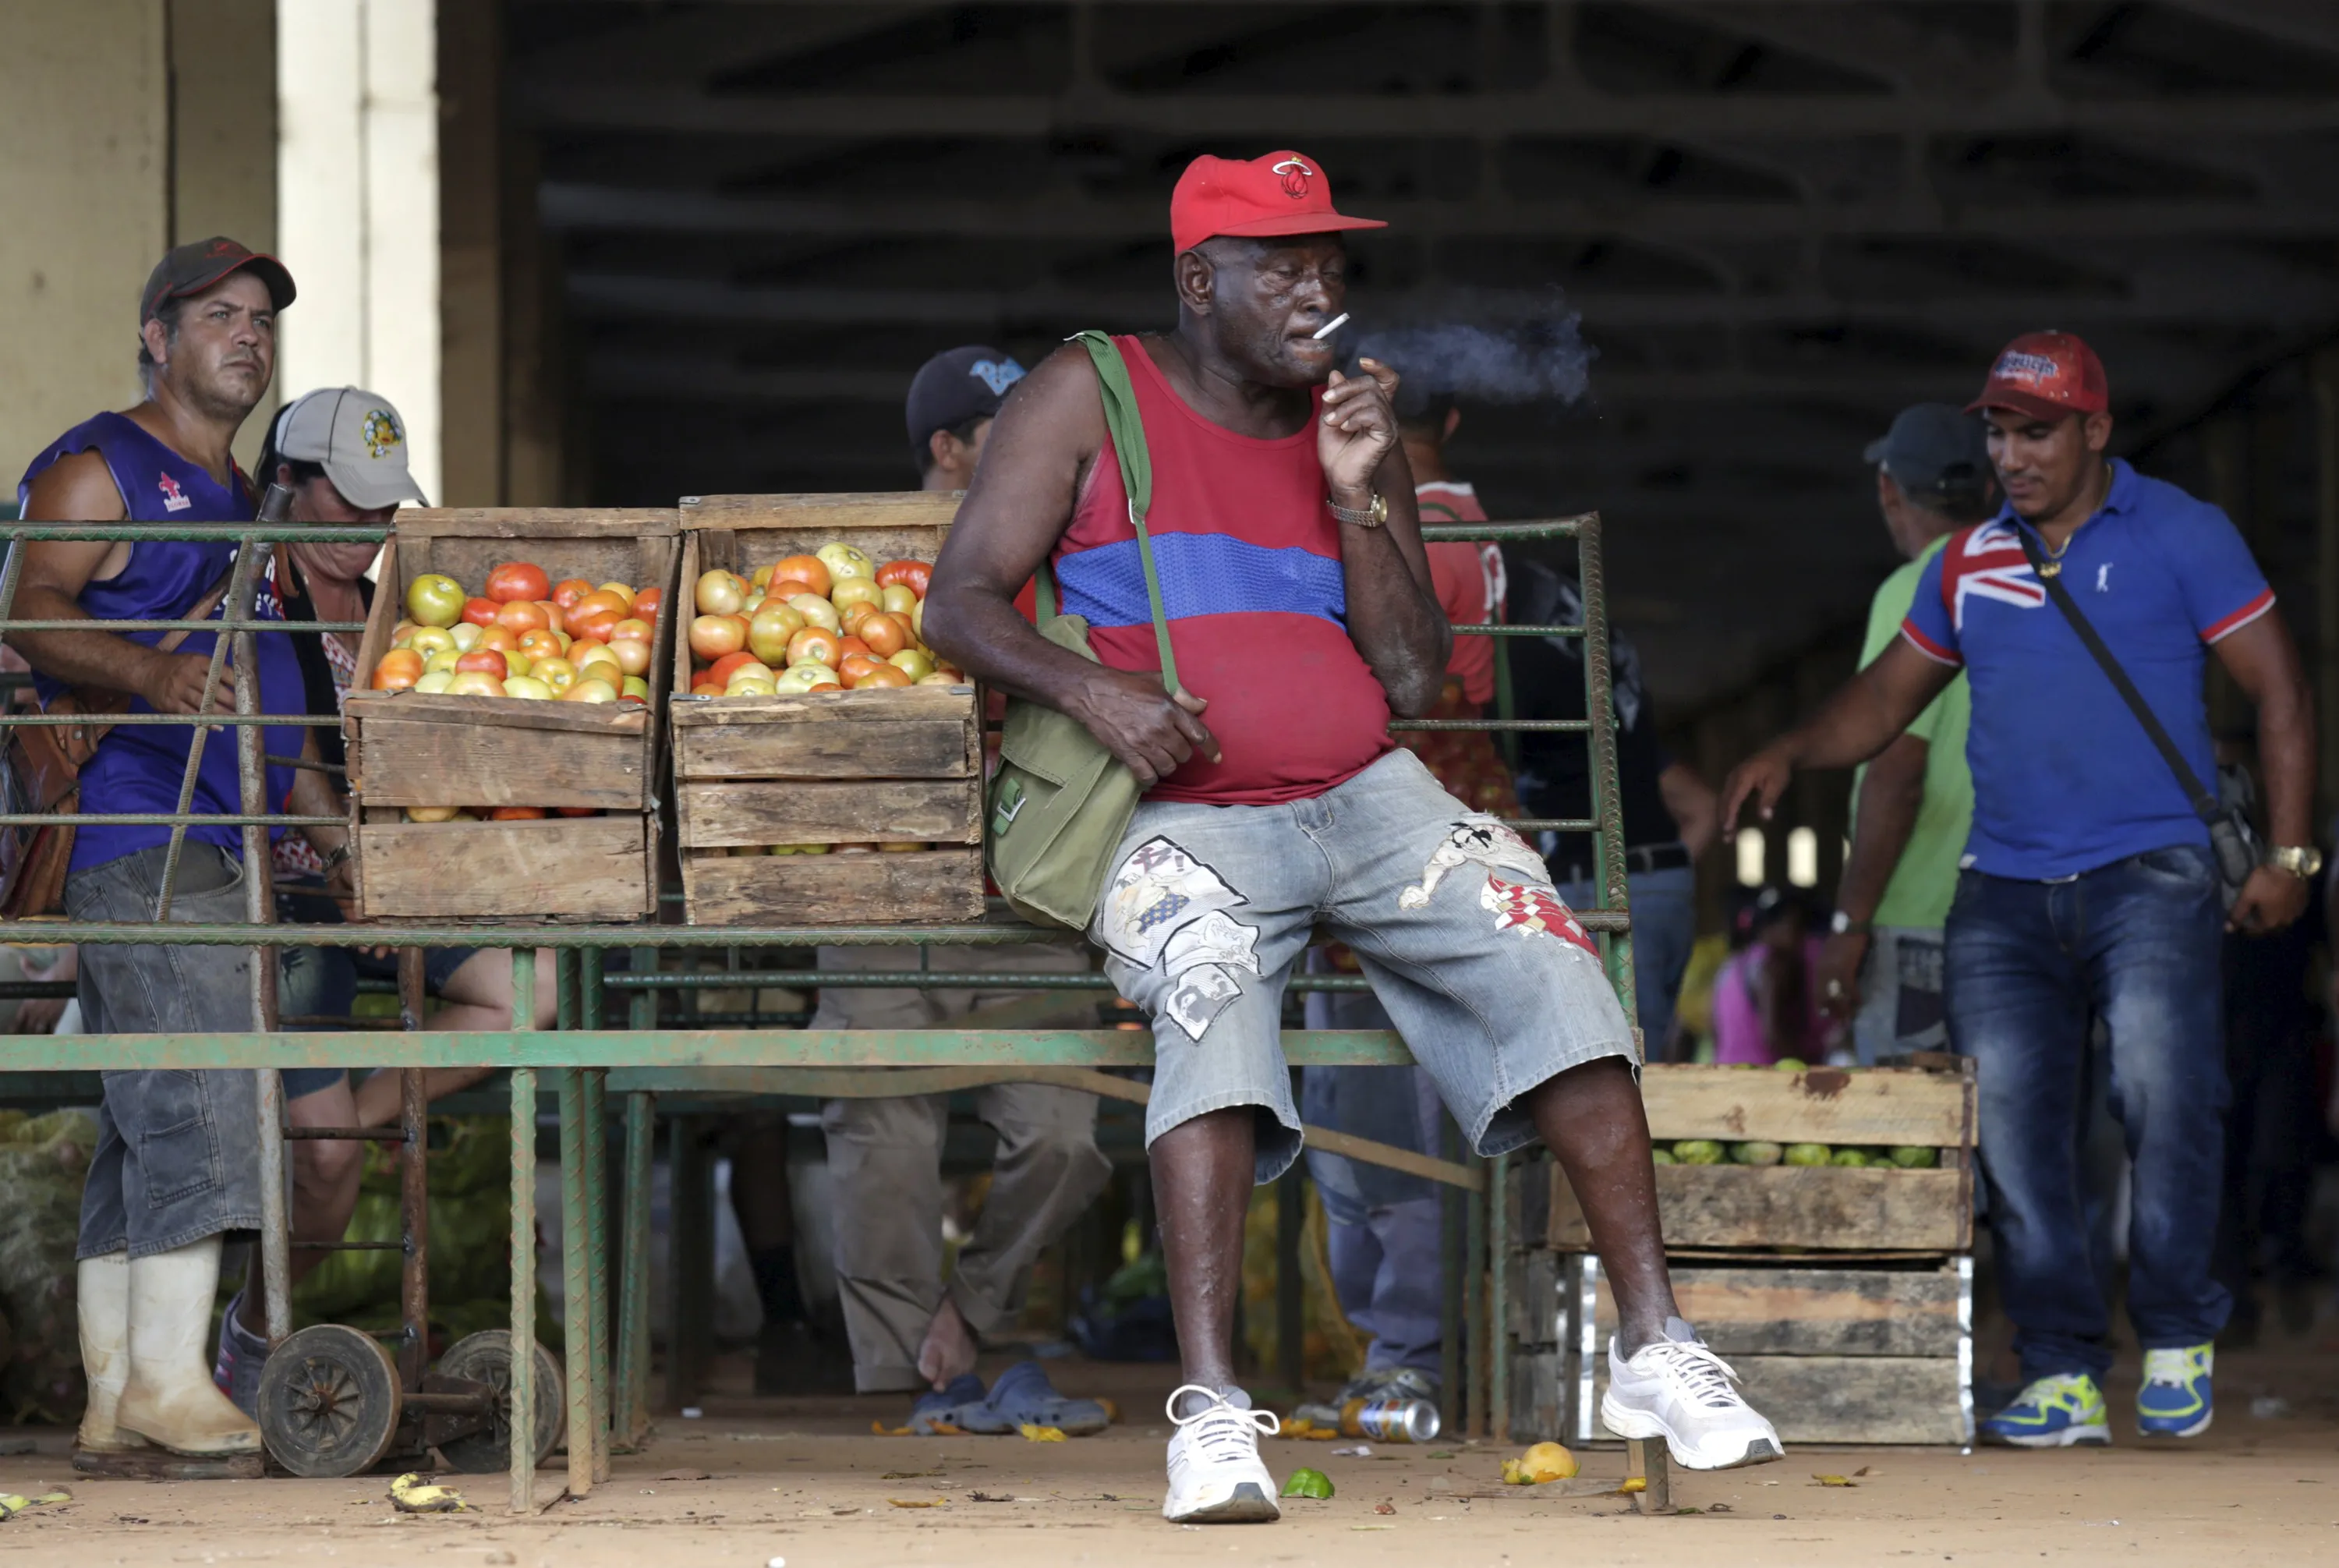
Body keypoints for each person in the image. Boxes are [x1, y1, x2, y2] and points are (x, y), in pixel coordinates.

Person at [925, 148, 1782, 1524]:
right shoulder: (1092, 393)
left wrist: (1362, 490)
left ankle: (1656, 1348)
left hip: (1370, 799)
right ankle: (1209, 1413)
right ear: (1200, 281)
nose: (1318, 287)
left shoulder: (1345, 421)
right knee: (1206, 986)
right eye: (1284, 264)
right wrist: (1097, 691)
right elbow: (957, 601)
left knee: (1551, 954)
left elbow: (1409, 681)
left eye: (1331, 263)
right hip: (1179, 811)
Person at [1722, 331, 2318, 1447]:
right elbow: (1886, 703)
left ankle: (2179, 1330)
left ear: (2096, 429)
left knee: (2164, 1093)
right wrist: (1792, 750)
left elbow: (2280, 690)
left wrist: (2290, 857)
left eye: (2035, 431)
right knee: (2015, 1131)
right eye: (1998, 431)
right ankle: (2061, 1368)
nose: (2012, 453)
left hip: (2152, 875)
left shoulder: (2185, 533)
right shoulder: (1969, 562)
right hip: (1999, 891)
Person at [9, 238, 341, 1466]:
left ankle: (114, 1394)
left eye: (259, 318)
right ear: (157, 335)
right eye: (217, 314)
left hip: (222, 831)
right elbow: (26, 604)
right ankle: (167, 1378)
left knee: (147, 1112)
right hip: (136, 830)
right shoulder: (104, 464)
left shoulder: (246, 496)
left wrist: (333, 831)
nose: (246, 335)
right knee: (210, 1089)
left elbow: (263, 702)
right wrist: (151, 668)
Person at [207, 385, 544, 1415]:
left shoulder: (405, 588)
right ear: (287, 487)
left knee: (522, 999)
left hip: (391, 883)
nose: (366, 531)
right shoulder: (253, 592)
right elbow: (276, 751)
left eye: (380, 509)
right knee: (327, 1176)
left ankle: (351, 1114)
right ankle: (250, 1339)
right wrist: (343, 862)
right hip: (289, 897)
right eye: (344, 506)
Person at [798, 345, 1112, 1424]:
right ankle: (905, 1380)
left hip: (1030, 898)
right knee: (878, 1126)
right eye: (1005, 427)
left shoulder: (1075, 549)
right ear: (947, 448)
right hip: (882, 896)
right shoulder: (852, 563)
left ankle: (970, 1316)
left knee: (1068, 1131)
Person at [1295, 381, 1517, 1414]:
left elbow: (1405, 675)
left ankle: (1411, 1349)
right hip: (1389, 813)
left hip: (1398, 809)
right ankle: (1405, 1345)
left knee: (1392, 1124)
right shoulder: (1468, 529)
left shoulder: (1430, 526)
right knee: (1368, 1115)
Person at [1815, 405, 1992, 1062]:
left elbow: (1896, 772)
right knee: (2013, 1137)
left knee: (1914, 1143)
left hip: (1921, 919)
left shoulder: (1915, 588)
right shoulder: (2031, 583)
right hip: (2029, 914)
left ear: (1889, 490)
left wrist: (1849, 924)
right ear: (1992, 489)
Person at [1506, 544, 1718, 1061]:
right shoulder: (1604, 669)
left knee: (1601, 1073)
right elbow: (1703, 804)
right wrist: (1657, 878)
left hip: (1595, 885)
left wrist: (1627, 886)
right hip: (1651, 884)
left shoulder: (1523, 645)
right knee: (1632, 1069)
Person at [1711, 887, 1836, 1067]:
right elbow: (1772, 1035)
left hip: (1728, 1070)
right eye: (1793, 925)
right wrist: (1811, 1070)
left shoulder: (1731, 965)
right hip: (1762, 1076)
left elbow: (1715, 1030)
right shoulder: (1771, 965)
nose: (1800, 935)